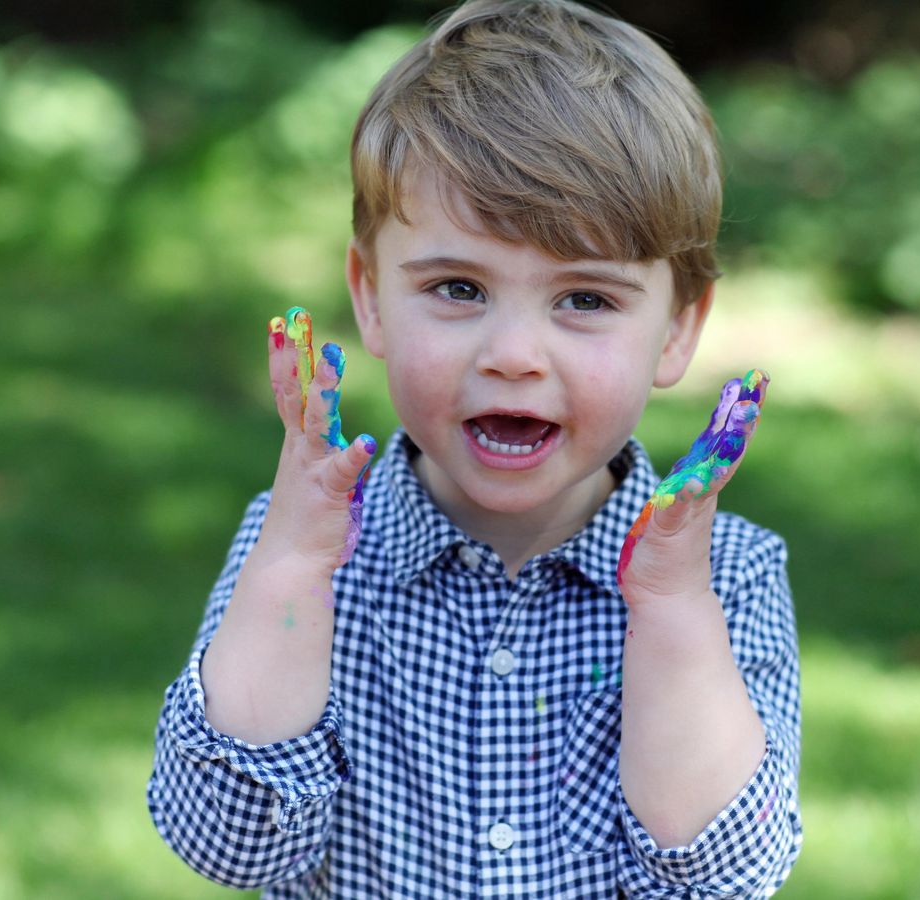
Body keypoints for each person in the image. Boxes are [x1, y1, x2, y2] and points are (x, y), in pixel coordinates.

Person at [146, 0, 802, 895]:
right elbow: (227, 845)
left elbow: (719, 879)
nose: (514, 356)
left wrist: (673, 609)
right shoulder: (301, 549)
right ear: (370, 296)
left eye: (585, 300)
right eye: (458, 287)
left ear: (678, 330)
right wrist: (294, 563)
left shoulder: (730, 577)